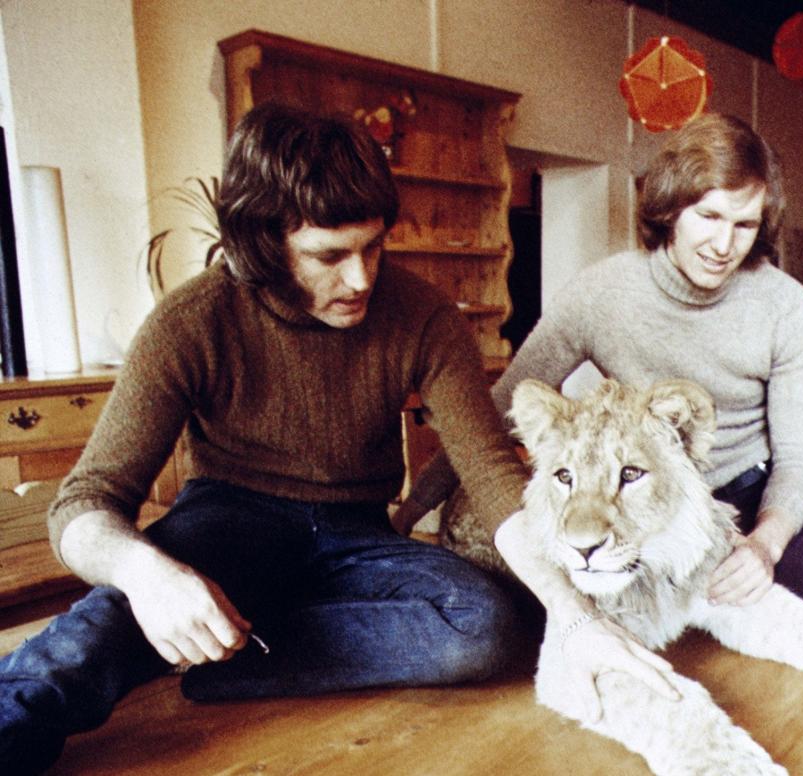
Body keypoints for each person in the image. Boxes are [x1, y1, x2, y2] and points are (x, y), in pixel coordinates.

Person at [0, 103, 677, 775]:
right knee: (96, 632)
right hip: (231, 520)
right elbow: (83, 504)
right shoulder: (191, 321)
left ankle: (240, 650)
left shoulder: (422, 316)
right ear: (262, 244)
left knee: (488, 627)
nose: (361, 279)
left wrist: (575, 614)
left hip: (358, 532)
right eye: (329, 255)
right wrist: (146, 575)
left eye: (373, 247)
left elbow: (494, 476)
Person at [410, 113, 803, 775]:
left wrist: (767, 545)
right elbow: (489, 416)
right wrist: (413, 512)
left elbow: (800, 456)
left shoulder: (784, 302)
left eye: (745, 225)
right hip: (695, 493)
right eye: (709, 218)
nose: (725, 245)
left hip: (791, 469)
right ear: (668, 210)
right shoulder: (600, 295)